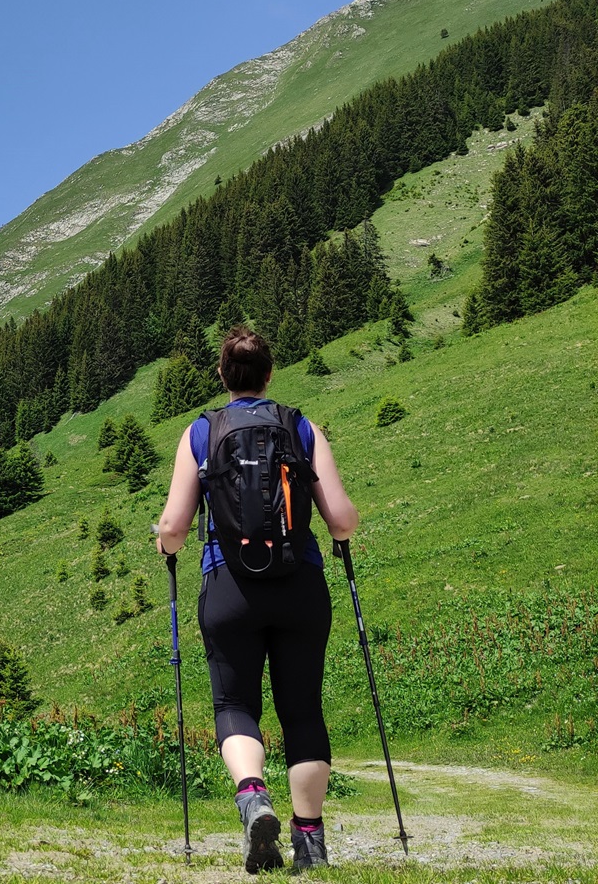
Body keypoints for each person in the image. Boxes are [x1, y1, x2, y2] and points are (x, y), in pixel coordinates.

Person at [157, 326, 358, 874]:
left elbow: (175, 527)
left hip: (229, 588)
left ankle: (253, 797)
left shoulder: (201, 432)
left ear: (223, 377)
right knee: (302, 712)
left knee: (234, 706)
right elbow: (341, 520)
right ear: (270, 375)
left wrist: (163, 540)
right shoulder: (300, 427)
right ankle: (310, 844)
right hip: (300, 585)